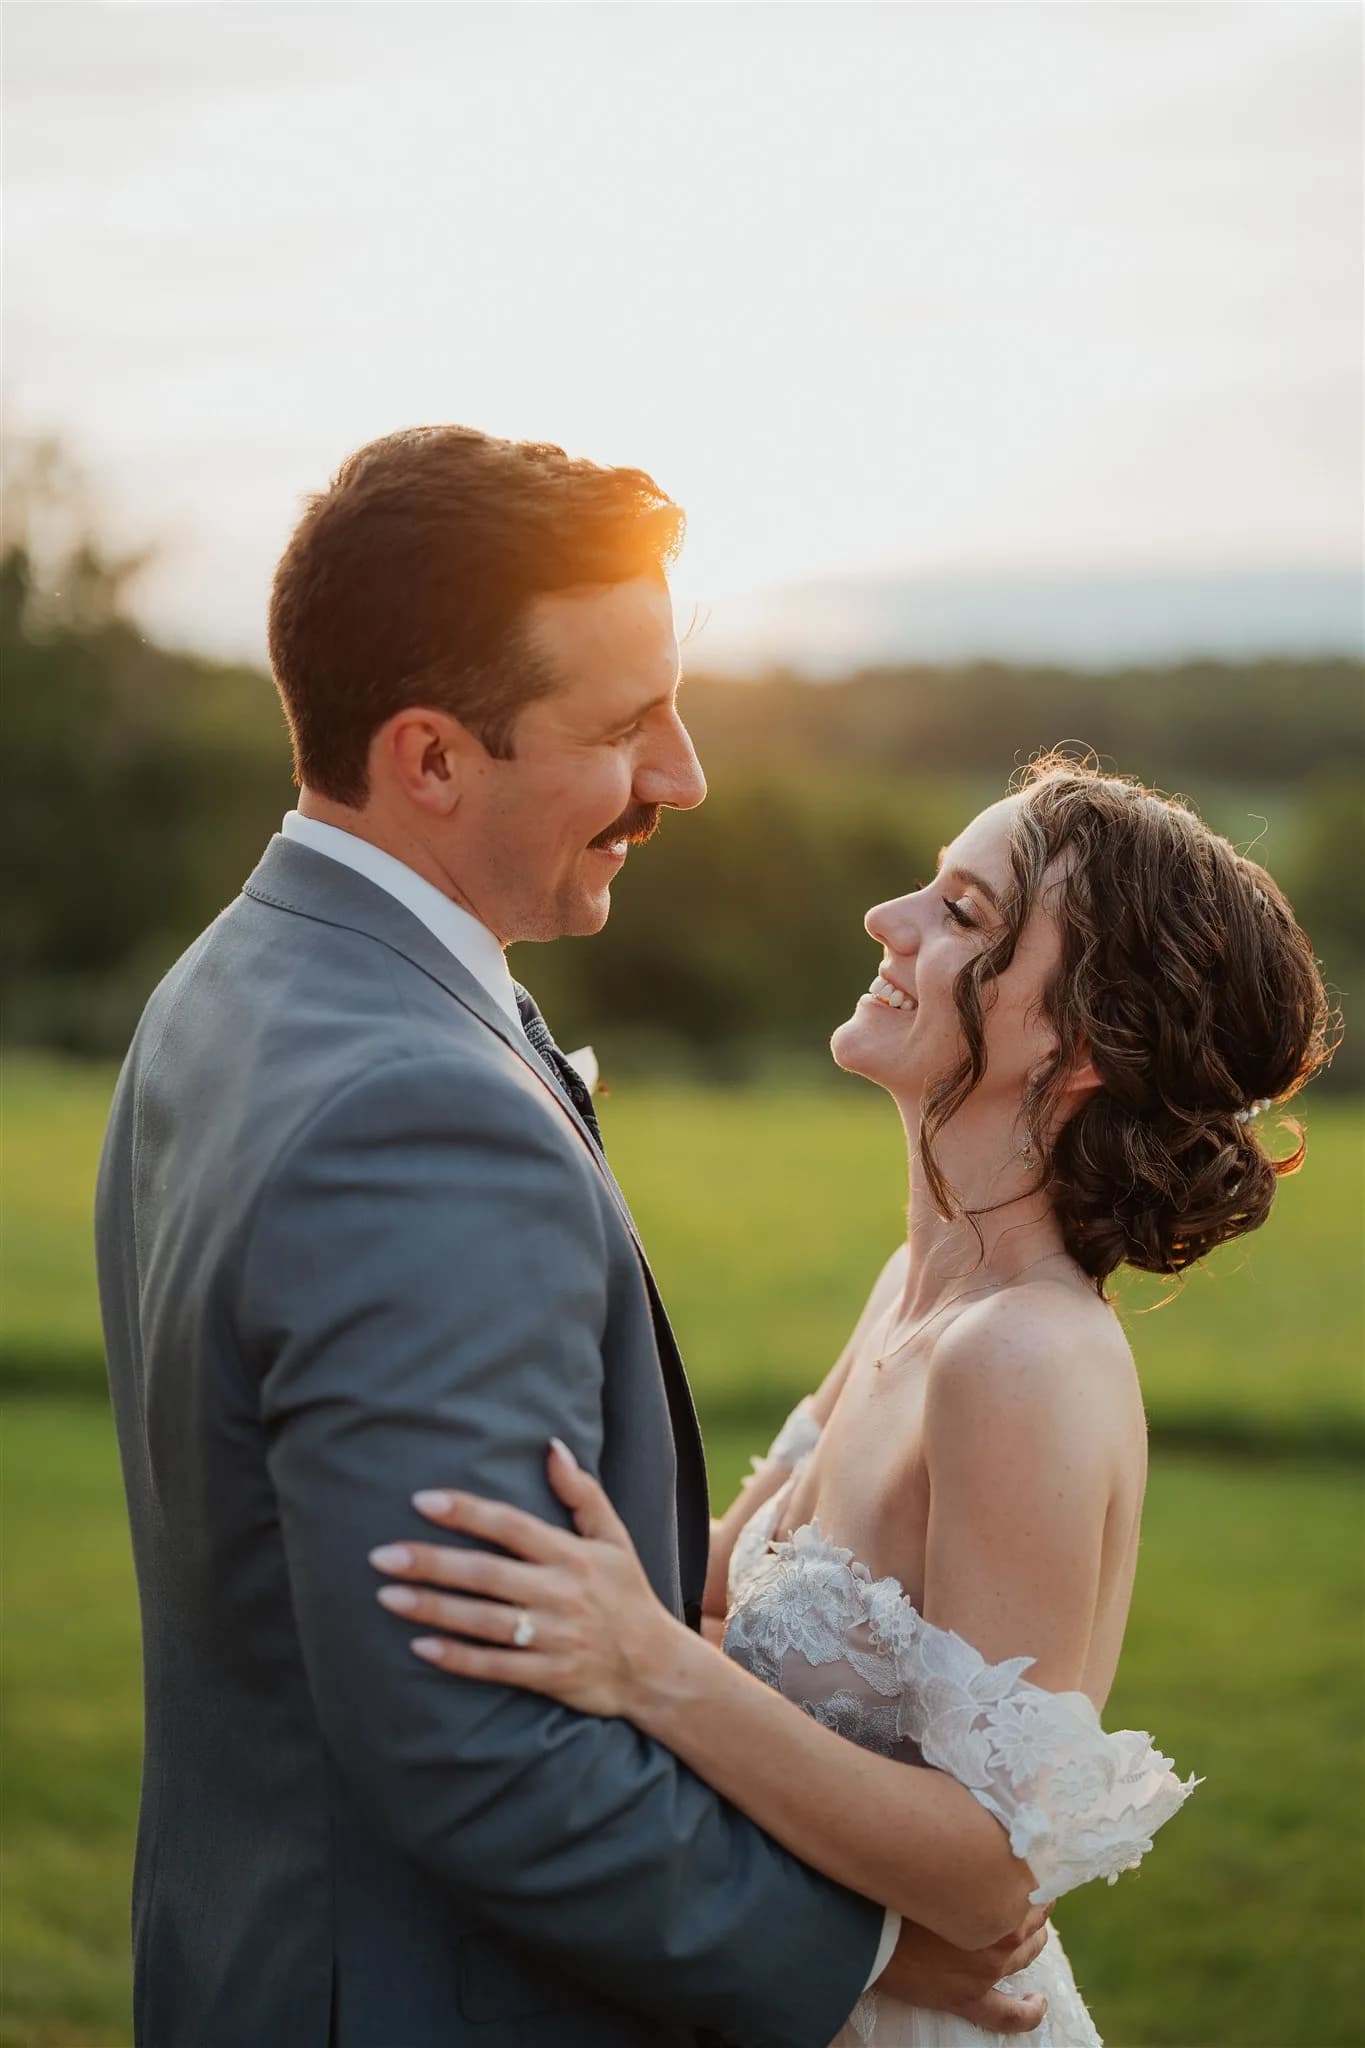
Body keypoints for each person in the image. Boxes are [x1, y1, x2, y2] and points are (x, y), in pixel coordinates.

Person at [94, 425, 1052, 2048]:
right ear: (431, 759)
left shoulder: (233, 986)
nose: (682, 775)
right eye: (624, 727)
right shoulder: (413, 1111)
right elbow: (473, 1738)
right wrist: (861, 1954)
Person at [373, 757, 1336, 2047]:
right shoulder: (911, 1291)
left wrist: (652, 1669)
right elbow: (711, 1594)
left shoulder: (1025, 1366)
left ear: (1087, 1039)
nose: (889, 921)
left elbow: (993, 1871)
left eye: (964, 914)